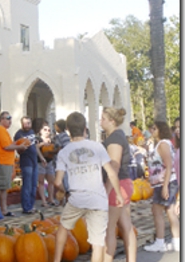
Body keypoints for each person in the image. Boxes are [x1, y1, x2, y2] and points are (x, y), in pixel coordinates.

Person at [53, 111, 124, 262]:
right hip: (98, 199)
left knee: (63, 228)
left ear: (68, 130)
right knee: (98, 243)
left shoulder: (64, 152)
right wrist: (118, 194)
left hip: (77, 198)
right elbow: (111, 173)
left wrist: (62, 191)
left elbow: (57, 182)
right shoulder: (97, 147)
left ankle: (57, 259)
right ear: (85, 128)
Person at [100, 107, 137, 262]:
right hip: (123, 183)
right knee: (126, 226)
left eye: (103, 118)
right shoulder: (118, 135)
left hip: (117, 185)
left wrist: (107, 190)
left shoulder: (114, 138)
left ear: (112, 121)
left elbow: (114, 165)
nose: (100, 121)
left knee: (110, 228)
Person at [143, 121, 180, 252]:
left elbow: (169, 165)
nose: (151, 130)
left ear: (160, 129)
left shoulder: (163, 144)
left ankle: (160, 242)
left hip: (164, 182)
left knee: (157, 211)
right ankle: (177, 241)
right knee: (170, 211)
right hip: (165, 182)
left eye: (154, 128)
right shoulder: (162, 144)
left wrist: (165, 186)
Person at [0, 111, 27, 217]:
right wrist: (19, 147)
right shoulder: (0, 129)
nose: (10, 121)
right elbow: (6, 147)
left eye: (10, 118)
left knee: (4, 187)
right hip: (2, 161)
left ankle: (3, 209)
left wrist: (18, 143)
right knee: (0, 187)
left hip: (7, 162)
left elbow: (8, 144)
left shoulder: (5, 131)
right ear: (1, 120)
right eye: (7, 118)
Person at [13, 116, 38, 214]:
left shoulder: (32, 132)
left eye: (29, 123)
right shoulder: (19, 134)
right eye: (25, 123)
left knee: (33, 185)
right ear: (22, 124)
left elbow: (35, 146)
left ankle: (31, 205)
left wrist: (42, 158)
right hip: (26, 162)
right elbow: (18, 150)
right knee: (27, 185)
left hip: (34, 161)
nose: (27, 125)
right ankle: (26, 207)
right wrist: (22, 148)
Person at [36, 120, 58, 207]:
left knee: (51, 181)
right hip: (40, 162)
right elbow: (35, 147)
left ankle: (51, 199)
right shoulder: (38, 139)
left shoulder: (52, 140)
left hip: (49, 161)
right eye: (45, 130)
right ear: (41, 131)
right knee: (41, 181)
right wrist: (43, 143)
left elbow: (55, 149)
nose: (47, 132)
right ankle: (43, 201)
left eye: (49, 130)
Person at [53, 119, 70, 203]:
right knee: (66, 180)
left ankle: (61, 200)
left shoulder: (59, 136)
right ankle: (67, 200)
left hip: (60, 161)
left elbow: (59, 148)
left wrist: (51, 152)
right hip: (68, 160)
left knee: (61, 181)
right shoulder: (67, 136)